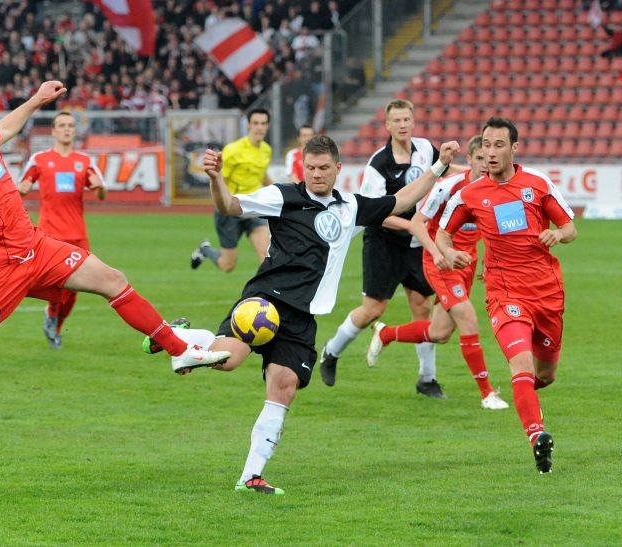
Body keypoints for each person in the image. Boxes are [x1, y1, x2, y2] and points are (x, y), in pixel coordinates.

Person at [0, 80, 230, 393]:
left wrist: (36, 99)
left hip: (37, 247)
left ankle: (178, 349)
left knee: (113, 280)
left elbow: (10, 125)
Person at [147, 135, 459, 494]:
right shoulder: (284, 196)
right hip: (266, 301)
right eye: (310, 168)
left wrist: (438, 166)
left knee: (285, 388)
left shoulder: (351, 206)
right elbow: (230, 207)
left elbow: (403, 199)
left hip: (303, 315)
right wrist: (217, 179)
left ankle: (250, 477)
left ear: (338, 169)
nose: (316, 174)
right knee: (228, 362)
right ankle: (176, 338)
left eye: (324, 167)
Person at [437, 117, 576, 473]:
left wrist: (557, 236)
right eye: (486, 145)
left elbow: (570, 226)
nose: (491, 152)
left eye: (499, 145)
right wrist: (449, 253)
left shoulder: (537, 185)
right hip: (504, 292)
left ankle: (524, 396)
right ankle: (537, 437)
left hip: (547, 292)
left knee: (544, 376)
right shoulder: (469, 194)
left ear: (514, 148)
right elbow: (442, 233)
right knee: (522, 366)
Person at [319, 98, 456, 397]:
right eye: (397, 121)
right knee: (373, 310)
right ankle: (331, 351)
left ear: (413, 121)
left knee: (421, 306)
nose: (403, 125)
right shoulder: (378, 165)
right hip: (384, 242)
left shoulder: (425, 149)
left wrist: (476, 172)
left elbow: (444, 170)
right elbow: (376, 214)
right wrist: (414, 226)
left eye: (407, 119)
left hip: (415, 244)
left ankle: (427, 379)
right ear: (388, 125)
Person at [364, 135, 508, 410]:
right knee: (467, 318)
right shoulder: (448, 187)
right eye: (479, 159)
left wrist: (490, 263)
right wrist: (437, 253)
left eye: (488, 160)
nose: (485, 165)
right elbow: (418, 223)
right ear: (469, 160)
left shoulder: (494, 189)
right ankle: (487, 393)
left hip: (466, 262)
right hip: (439, 263)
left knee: (440, 332)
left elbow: (492, 231)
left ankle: (385, 334)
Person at [18, 111, 107, 349]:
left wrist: (99, 188)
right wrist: (24, 187)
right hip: (50, 235)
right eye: (62, 125)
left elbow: (101, 191)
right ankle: (51, 313)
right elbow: (22, 186)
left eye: (70, 125)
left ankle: (54, 325)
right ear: (54, 131)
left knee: (75, 290)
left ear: (74, 131)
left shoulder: (85, 161)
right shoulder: (40, 159)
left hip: (78, 235)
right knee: (56, 285)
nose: (66, 129)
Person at [190, 108, 273, 272]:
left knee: (267, 255)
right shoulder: (233, 150)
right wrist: (225, 204)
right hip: (231, 208)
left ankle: (264, 295)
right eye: (256, 123)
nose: (259, 127)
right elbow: (219, 179)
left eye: (263, 123)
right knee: (227, 266)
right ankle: (205, 249)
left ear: (268, 126)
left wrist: (278, 191)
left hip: (254, 208)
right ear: (248, 125)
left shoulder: (266, 150)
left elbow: (261, 175)